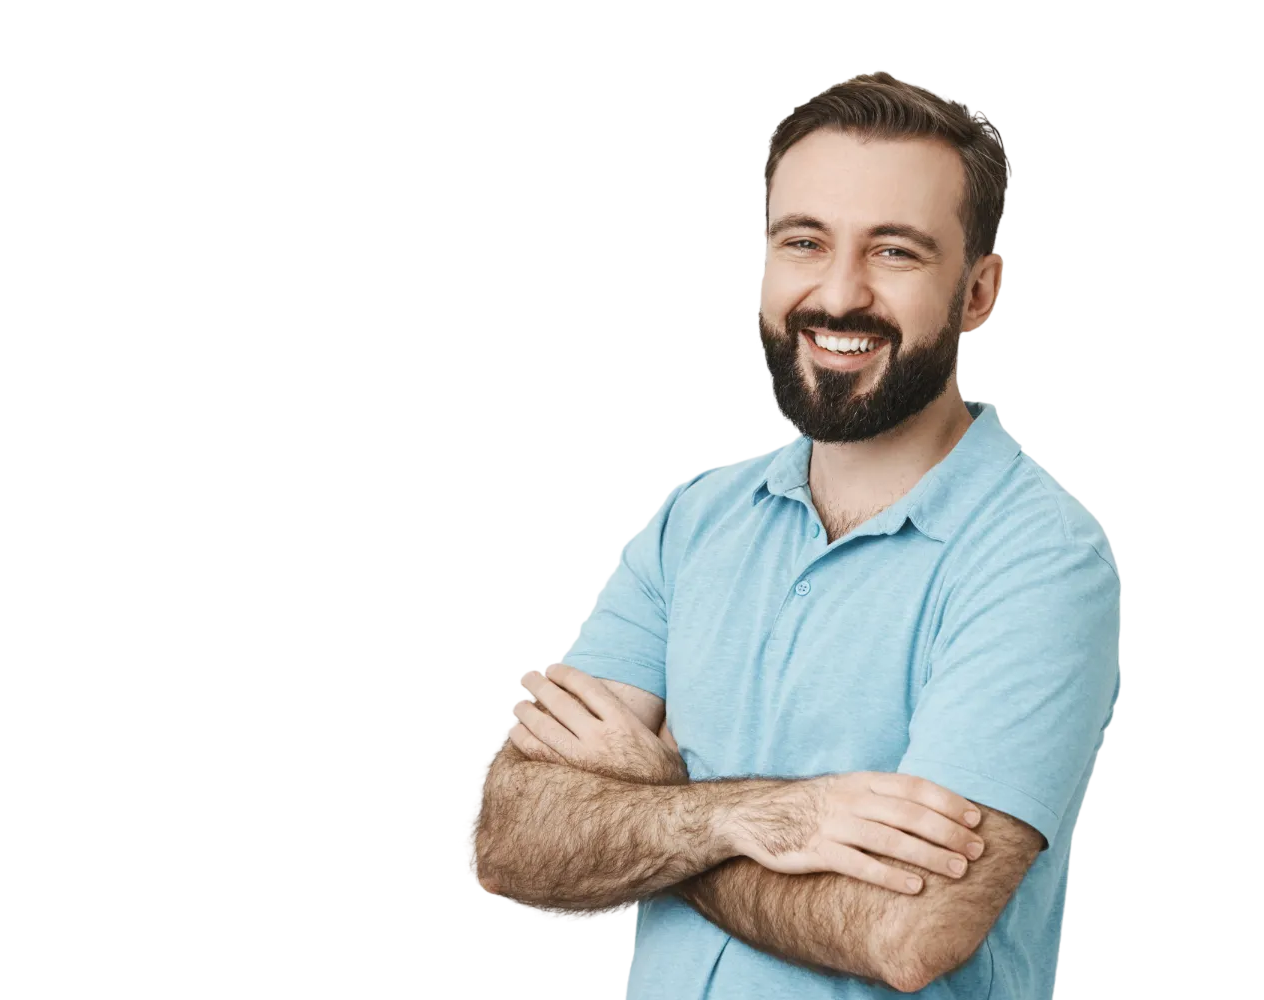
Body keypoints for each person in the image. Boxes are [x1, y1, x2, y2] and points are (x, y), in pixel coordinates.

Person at [463, 69, 1121, 998]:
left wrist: (656, 805)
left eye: (895, 251)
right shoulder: (694, 519)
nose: (838, 294)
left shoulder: (1041, 560)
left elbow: (909, 933)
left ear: (978, 293)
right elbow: (508, 839)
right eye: (804, 242)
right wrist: (750, 818)